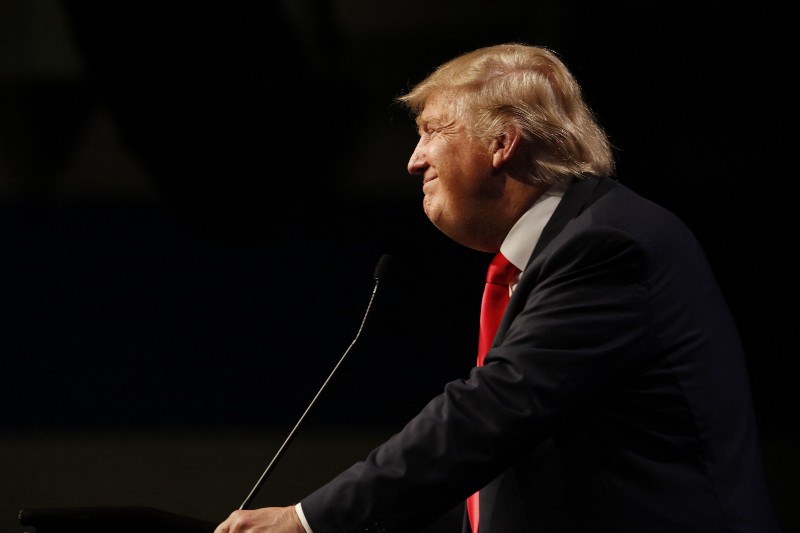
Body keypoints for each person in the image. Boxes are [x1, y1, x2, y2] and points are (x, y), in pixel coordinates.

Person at [215, 43, 781, 532]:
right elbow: (500, 480)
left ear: (502, 142)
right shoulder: (552, 258)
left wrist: (309, 521)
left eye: (431, 131)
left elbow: (491, 413)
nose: (413, 162)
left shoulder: (608, 245)